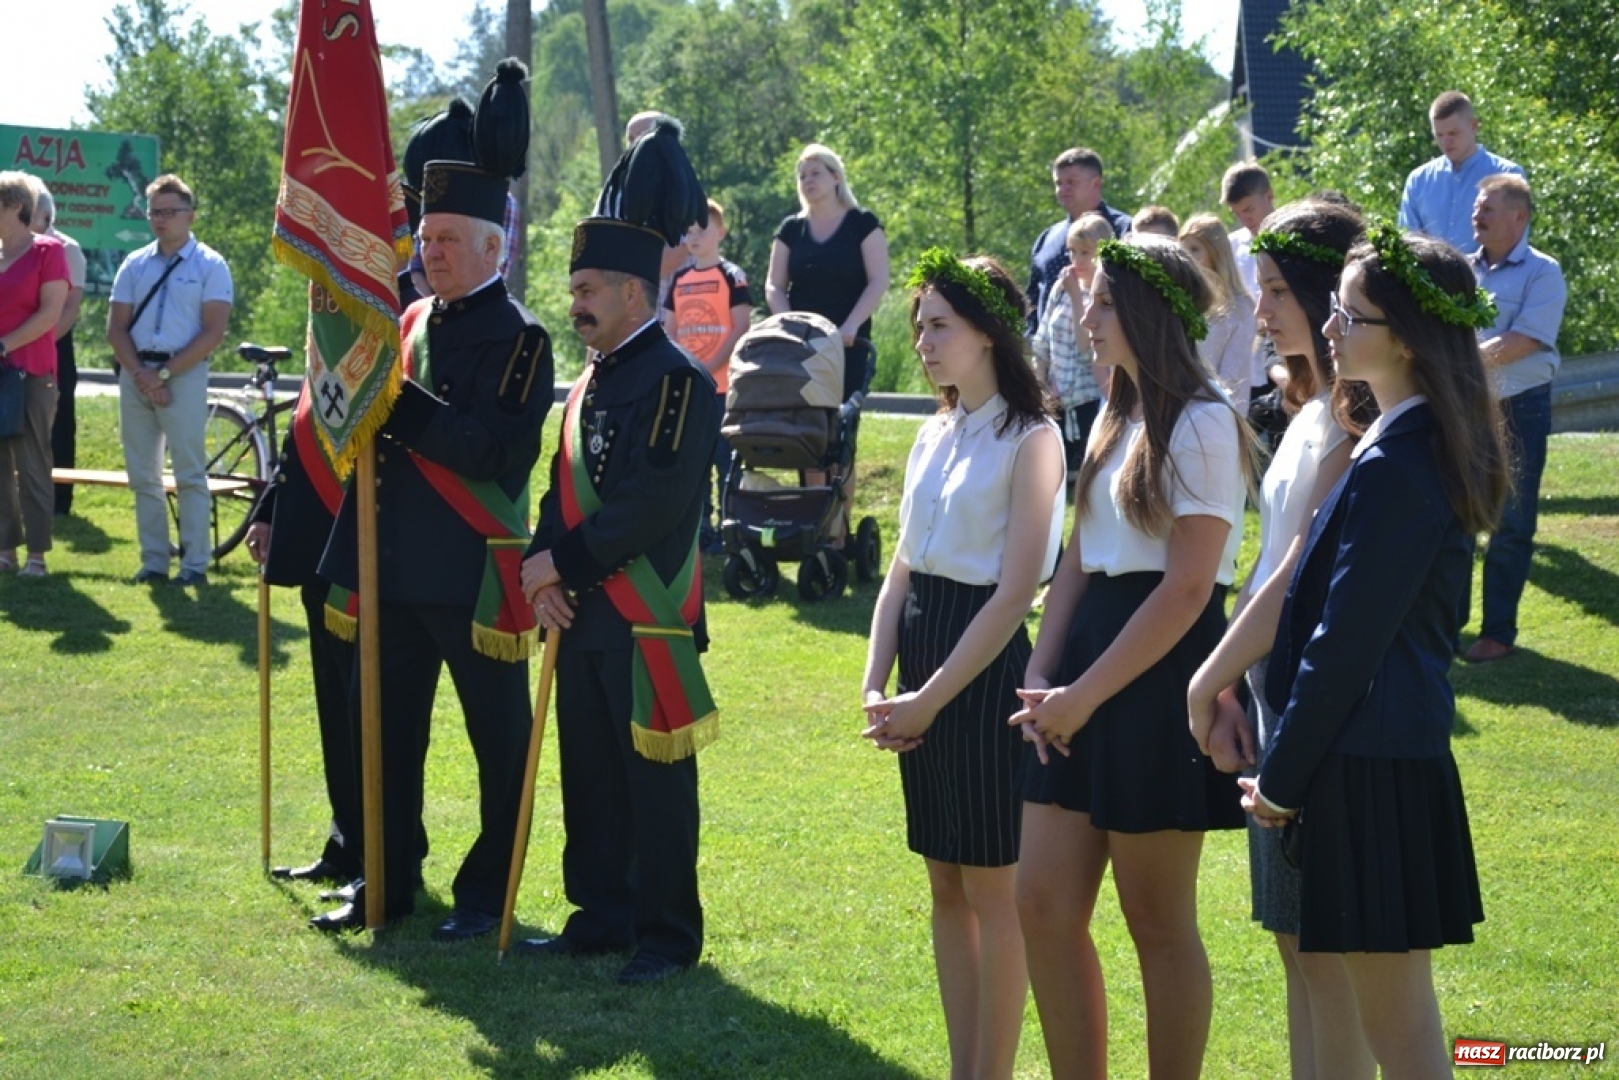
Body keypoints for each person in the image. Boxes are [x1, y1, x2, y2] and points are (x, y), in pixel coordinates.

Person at [1242, 225, 1506, 1077]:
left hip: (1372, 762)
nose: (1329, 328)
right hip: (1371, 755)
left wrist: (1280, 782)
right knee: (1387, 1017)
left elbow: (1344, 646)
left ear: (1404, 337)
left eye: (1348, 315)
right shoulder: (1397, 440)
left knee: (1398, 1031)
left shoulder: (1399, 461)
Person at [311, 60, 554, 939]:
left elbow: (493, 454)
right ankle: (388, 879)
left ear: (496, 247)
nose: (429, 250)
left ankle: (488, 891)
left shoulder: (524, 339)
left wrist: (398, 400)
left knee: (500, 744)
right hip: (391, 560)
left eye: (449, 237)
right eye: (425, 235)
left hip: (471, 573)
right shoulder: (406, 324)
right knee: (383, 733)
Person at [1011, 235, 1249, 1080]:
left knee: (1155, 918)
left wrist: (1083, 693)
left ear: (1151, 313)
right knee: (1038, 902)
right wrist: (1044, 671)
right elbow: (1079, 552)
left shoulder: (1206, 420)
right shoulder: (1118, 409)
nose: (1084, 314)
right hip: (1079, 666)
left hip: (1156, 676)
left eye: (1104, 302)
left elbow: (1187, 590)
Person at [516, 118, 718, 986]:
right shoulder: (592, 375)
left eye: (590, 286)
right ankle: (600, 915)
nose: (576, 302)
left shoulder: (677, 379)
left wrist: (558, 565)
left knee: (654, 788)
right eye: (573, 287)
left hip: (645, 614)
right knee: (589, 776)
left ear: (637, 293)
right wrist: (538, 563)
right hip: (583, 610)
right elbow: (557, 491)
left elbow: (650, 503)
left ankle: (667, 937)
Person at [1184, 199, 1378, 1080]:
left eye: (1271, 290)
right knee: (1293, 950)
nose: (1256, 310)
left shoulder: (1351, 427)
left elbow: (1294, 574)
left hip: (1319, 711)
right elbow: (1266, 565)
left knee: (1330, 968)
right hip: (1271, 697)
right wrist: (1229, 680)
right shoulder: (1303, 411)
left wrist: (1207, 680)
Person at [862, 251, 1064, 1080]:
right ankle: (963, 1067)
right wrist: (875, 682)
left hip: (979, 670)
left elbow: (1016, 591)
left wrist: (930, 699)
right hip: (921, 656)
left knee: (991, 888)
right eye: (919, 325)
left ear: (987, 333)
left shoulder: (1033, 437)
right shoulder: (931, 430)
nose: (924, 341)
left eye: (940, 324)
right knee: (945, 881)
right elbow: (902, 567)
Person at [246, 379, 362, 888]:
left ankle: (383, 856)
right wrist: (271, 509)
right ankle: (345, 842)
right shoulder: (331, 314)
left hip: (366, 545)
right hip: (317, 539)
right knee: (335, 708)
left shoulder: (385, 313)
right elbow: (306, 427)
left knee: (371, 719)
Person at [106, 173, 233, 586]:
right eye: (154, 212)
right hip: (136, 373)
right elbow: (115, 329)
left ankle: (194, 565)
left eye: (170, 212)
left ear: (190, 215)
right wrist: (143, 376)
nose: (160, 220)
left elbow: (214, 332)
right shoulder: (134, 263)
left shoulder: (210, 265)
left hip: (182, 375)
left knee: (189, 474)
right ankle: (154, 562)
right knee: (143, 475)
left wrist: (161, 374)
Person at [1462, 174, 1566, 663]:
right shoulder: (1463, 271)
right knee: (1457, 516)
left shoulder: (1544, 273)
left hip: (1520, 408)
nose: (1475, 215)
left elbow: (1524, 340)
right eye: (1476, 208)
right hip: (1466, 407)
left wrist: (1457, 361)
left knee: (1512, 522)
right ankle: (1446, 627)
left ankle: (1497, 634)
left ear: (1518, 218)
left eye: (1486, 208)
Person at [765, 143, 889, 539]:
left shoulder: (862, 223)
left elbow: (878, 280)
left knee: (839, 439)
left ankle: (837, 532)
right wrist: (787, 324)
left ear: (836, 176)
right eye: (802, 175)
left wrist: (850, 326)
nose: (808, 181)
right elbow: (774, 284)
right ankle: (810, 530)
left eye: (816, 172)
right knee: (807, 438)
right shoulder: (791, 229)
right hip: (802, 349)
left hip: (848, 347)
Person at [663, 197, 753, 552]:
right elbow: (668, 331)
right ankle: (701, 528)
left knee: (725, 459)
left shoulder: (733, 276)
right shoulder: (679, 280)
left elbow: (741, 326)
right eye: (688, 231)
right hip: (691, 388)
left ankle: (731, 525)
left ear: (722, 232)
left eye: (702, 230)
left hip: (724, 388)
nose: (694, 237)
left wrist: (714, 361)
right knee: (694, 459)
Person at [0, 172, 70, 579]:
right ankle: (5, 551)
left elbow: (49, 315)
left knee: (32, 466)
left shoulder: (48, 252)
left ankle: (37, 557)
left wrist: (4, 345)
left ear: (16, 207)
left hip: (31, 375)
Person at [1031, 212, 1110, 487]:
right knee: (1054, 473)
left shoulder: (1103, 298)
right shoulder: (1060, 289)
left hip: (1087, 397)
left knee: (1084, 478)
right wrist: (1040, 383)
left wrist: (1078, 296)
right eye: (1072, 251)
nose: (1076, 261)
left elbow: (1086, 347)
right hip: (1057, 394)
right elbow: (1042, 341)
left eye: (1085, 253)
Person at [1398, 91, 1523, 254]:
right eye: (1439, 135)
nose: (1446, 142)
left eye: (1453, 133)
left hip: (1488, 278)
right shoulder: (1418, 181)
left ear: (1474, 126)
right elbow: (1408, 244)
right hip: (1431, 278)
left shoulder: (1507, 176)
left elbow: (1512, 247)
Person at [1026, 148, 1132, 334]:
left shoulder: (1124, 231)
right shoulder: (1046, 239)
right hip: (1051, 356)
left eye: (1071, 182)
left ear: (1096, 183)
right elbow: (1033, 300)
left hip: (1105, 350)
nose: (1063, 189)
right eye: (1058, 183)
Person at [29, 190, 86, 518]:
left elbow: (69, 310)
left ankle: (59, 501)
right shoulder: (10, 247)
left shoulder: (68, 249)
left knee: (59, 422)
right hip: (14, 343)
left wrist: (41, 343)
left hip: (53, 345)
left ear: (45, 216)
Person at [1179, 212, 1260, 411]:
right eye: (1183, 251)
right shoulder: (1181, 301)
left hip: (1220, 415)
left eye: (1195, 250)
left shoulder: (1240, 307)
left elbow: (1232, 380)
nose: (1187, 258)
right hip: (1178, 411)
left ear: (1216, 253)